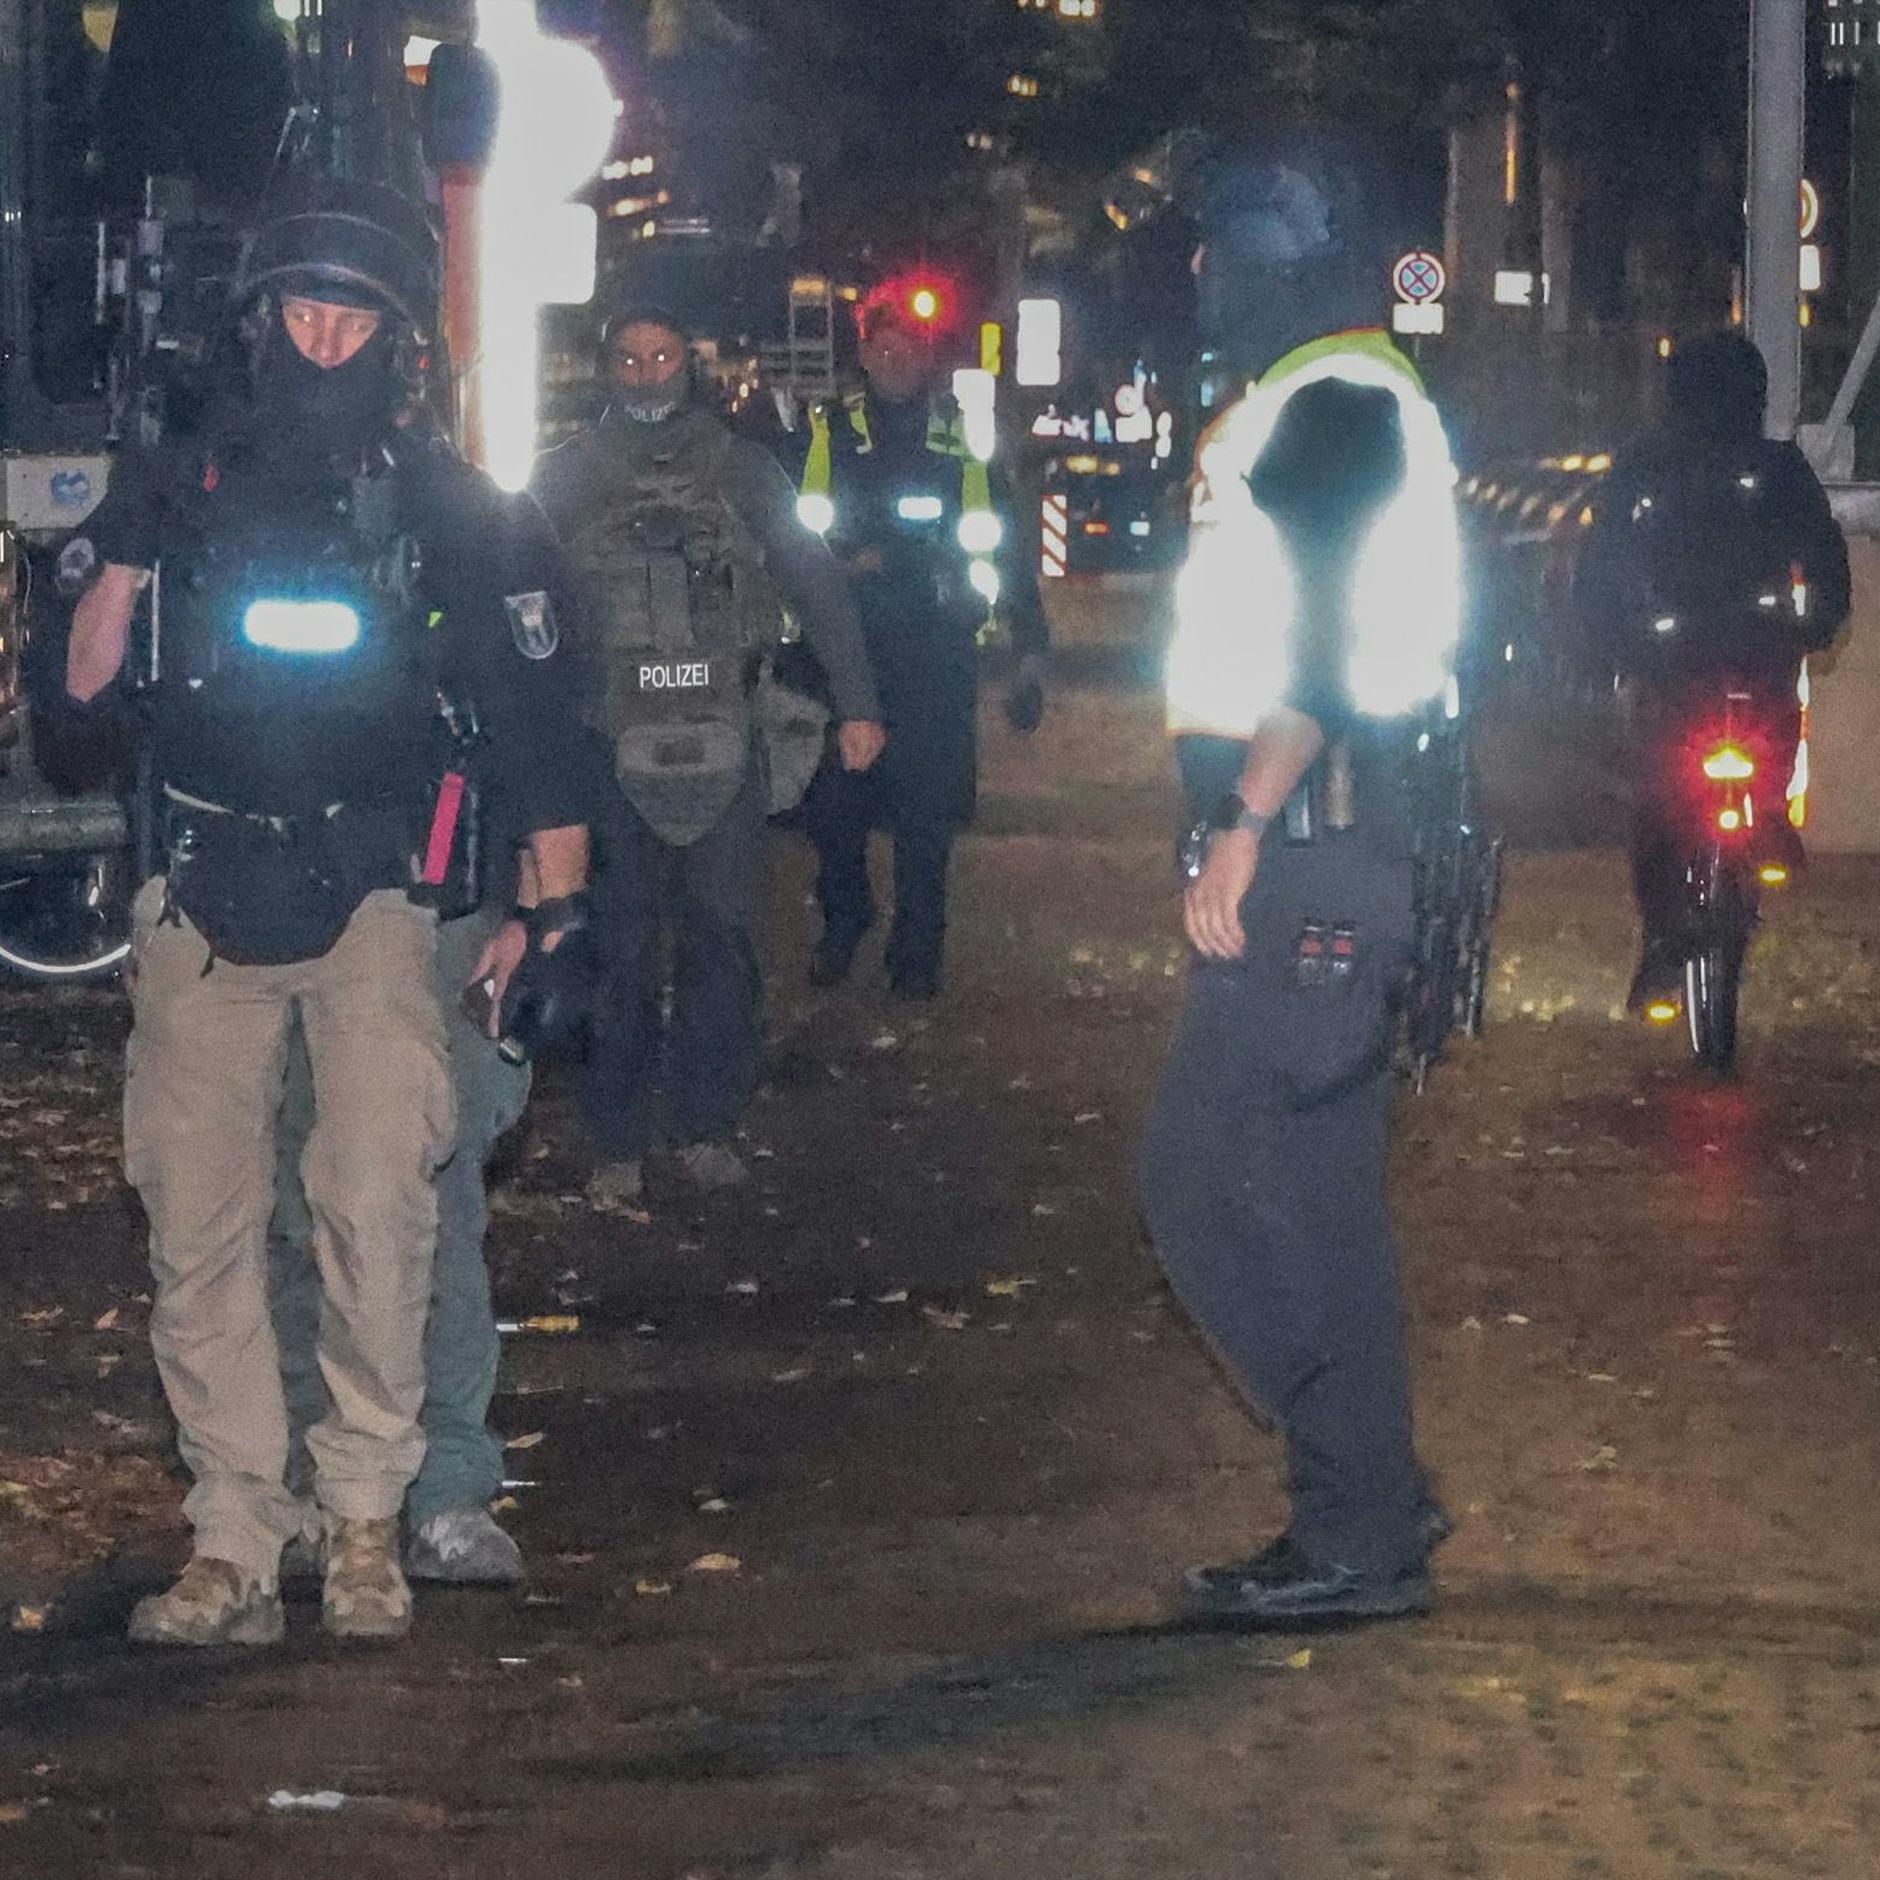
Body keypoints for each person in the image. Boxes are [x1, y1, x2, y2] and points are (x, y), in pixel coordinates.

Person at [64, 177, 595, 1646]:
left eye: (349, 309)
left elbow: (534, 717)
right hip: (202, 903)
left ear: (393, 332)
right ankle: (236, 1532)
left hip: (375, 901)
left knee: (377, 1208)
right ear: (253, 319)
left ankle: (366, 1518)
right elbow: (82, 703)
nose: (321, 331)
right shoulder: (187, 478)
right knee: (200, 1227)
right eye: (299, 305)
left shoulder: (443, 503)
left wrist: (554, 920)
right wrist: (121, 533)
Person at [1125, 128, 1457, 1624]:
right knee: (1319, 1202)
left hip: (1314, 842)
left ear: (1275, 251)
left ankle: (1351, 1473)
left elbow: (1325, 639)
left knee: (1199, 1174)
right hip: (1336, 839)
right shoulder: (1322, 394)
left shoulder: (1332, 399)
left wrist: (1246, 820)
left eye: (1216, 246)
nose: (1197, 274)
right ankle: (1363, 1524)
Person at [266, 489, 586, 1589]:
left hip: (444, 916)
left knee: (430, 1204)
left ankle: (447, 1484)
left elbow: (543, 740)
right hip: (287, 914)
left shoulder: (478, 525)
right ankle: (319, 1482)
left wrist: (537, 917)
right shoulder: (243, 497)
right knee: (291, 1203)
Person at [531, 306, 885, 1206]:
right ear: (605, 364)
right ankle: (615, 1141)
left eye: (663, 355)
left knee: (723, 943)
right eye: (630, 356)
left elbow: (814, 579)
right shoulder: (564, 478)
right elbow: (512, 591)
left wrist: (859, 705)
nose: (647, 373)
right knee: (617, 949)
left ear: (690, 361)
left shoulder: (743, 470)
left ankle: (704, 1124)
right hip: (607, 746)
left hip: (728, 737)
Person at [1573, 333, 1850, 1012]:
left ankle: (1666, 936)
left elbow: (1602, 562)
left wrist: (1612, 637)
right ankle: (1772, 819)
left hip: (1670, 656)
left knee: (1662, 794)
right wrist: (1815, 624)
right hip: (1761, 648)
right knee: (1775, 733)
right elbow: (1824, 554)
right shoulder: (1778, 467)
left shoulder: (1644, 465)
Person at [796, 290, 1049, 999]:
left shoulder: (959, 435)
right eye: (882, 347)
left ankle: (917, 955)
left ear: (928, 356)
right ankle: (845, 922)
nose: (894, 359)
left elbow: (1001, 542)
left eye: (907, 346)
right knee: (833, 810)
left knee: (925, 814)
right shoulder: (831, 429)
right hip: (848, 651)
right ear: (864, 354)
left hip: (936, 647)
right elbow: (799, 528)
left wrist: (1028, 647)